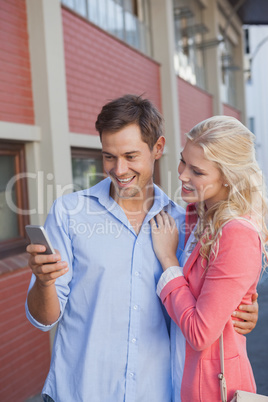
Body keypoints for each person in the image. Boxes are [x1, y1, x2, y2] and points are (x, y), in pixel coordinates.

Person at [25, 96, 258, 402]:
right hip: (80, 391)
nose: (118, 169)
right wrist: (44, 283)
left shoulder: (187, 222)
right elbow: (44, 319)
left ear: (158, 148)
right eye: (109, 156)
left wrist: (242, 313)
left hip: (157, 392)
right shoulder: (70, 213)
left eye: (130, 156)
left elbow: (206, 307)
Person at [150, 115, 268, 401]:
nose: (182, 175)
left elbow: (201, 333)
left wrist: (168, 261)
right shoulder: (197, 216)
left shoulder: (237, 233)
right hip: (178, 378)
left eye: (197, 171)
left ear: (228, 177)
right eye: (182, 161)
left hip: (211, 391)